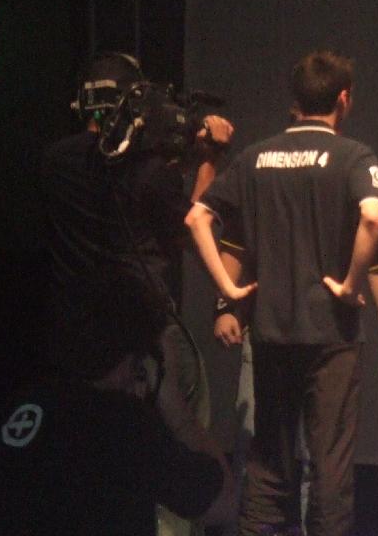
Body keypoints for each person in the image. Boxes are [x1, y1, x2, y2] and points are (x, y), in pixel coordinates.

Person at [186, 50, 378, 536]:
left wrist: (227, 289)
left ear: (296, 99)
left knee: (268, 461)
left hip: (271, 333)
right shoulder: (354, 156)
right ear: (343, 99)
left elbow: (197, 216)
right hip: (331, 337)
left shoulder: (255, 157)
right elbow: (373, 218)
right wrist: (350, 285)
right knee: (330, 464)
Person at [40, 51, 235, 536]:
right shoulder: (147, 171)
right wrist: (207, 161)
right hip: (142, 339)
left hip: (75, 348)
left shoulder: (52, 164)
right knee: (177, 452)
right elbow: (191, 227)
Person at [0, 264, 235, 536]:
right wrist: (173, 404)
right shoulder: (121, 425)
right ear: (136, 357)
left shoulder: (14, 406)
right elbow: (221, 505)